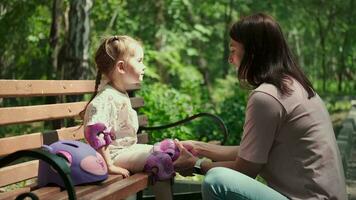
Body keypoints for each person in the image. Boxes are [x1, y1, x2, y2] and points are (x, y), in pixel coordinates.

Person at [173, 13, 347, 200]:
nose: (230, 60)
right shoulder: (294, 86)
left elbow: (245, 169)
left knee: (217, 182)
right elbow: (250, 154)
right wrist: (199, 147)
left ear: (252, 53)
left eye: (233, 50)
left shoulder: (266, 97)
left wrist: (198, 164)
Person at [81, 35, 175, 200]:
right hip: (114, 155)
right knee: (161, 160)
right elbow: (93, 131)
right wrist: (109, 165)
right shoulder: (106, 98)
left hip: (127, 150)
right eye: (139, 61)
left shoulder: (120, 93)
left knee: (169, 148)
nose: (144, 66)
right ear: (122, 67)